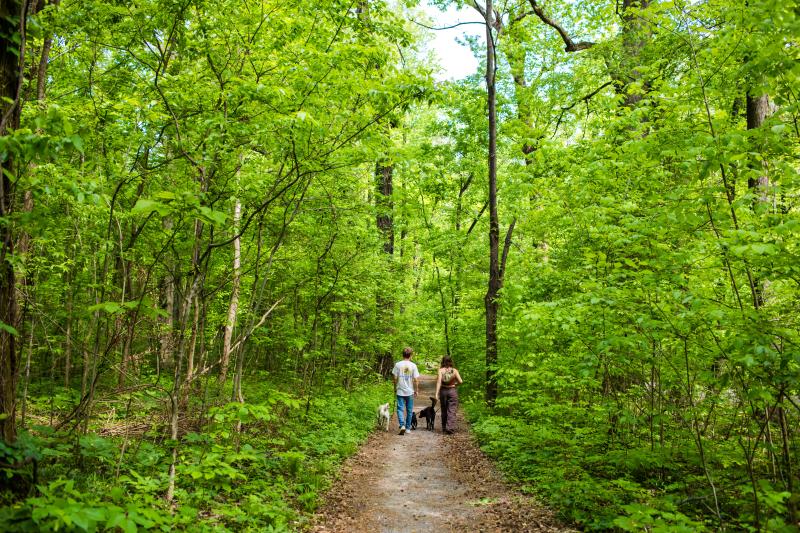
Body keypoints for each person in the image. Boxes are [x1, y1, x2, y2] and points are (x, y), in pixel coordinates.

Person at [392, 347, 419, 435]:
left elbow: (395, 378)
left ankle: (402, 425)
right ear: (410, 355)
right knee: (409, 410)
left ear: (402, 354)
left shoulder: (397, 365)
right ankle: (407, 428)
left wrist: (395, 388)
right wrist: (416, 390)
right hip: (410, 391)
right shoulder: (413, 365)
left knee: (400, 409)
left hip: (400, 390)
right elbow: (416, 379)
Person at [434, 355, 463, 435]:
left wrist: (436, 394)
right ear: (451, 361)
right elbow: (460, 381)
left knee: (444, 409)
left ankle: (444, 428)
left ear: (443, 361)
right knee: (452, 410)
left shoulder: (441, 370)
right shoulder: (455, 371)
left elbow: (439, 382)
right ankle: (450, 428)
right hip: (452, 391)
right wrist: (455, 384)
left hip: (443, 391)